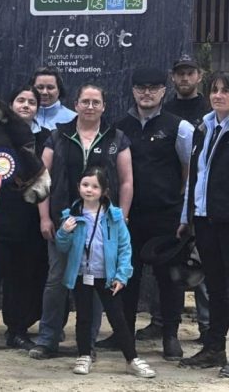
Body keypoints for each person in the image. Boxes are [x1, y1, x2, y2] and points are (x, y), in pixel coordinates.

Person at [29, 84, 133, 360]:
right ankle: (47, 339)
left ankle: (87, 346)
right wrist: (44, 217)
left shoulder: (116, 137)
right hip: (65, 222)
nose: (90, 106)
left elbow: (126, 180)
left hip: (102, 223)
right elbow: (42, 178)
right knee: (56, 282)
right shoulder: (58, 135)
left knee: (96, 284)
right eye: (85, 101)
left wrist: (120, 216)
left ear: (103, 107)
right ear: (75, 104)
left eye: (95, 102)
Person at [108, 67, 193, 361]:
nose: (147, 93)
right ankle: (123, 332)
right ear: (132, 91)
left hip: (166, 217)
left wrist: (181, 210)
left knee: (169, 279)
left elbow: (188, 170)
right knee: (125, 277)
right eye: (141, 87)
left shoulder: (179, 127)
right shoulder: (119, 127)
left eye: (153, 87)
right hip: (129, 217)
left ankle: (170, 335)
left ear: (163, 91)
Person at [137, 55, 212, 344]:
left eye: (189, 73)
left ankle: (207, 327)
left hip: (204, 200)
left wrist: (191, 195)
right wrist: (181, 195)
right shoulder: (164, 111)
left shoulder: (209, 108)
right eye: (179, 73)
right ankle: (160, 323)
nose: (184, 78)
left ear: (199, 76)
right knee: (166, 267)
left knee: (201, 265)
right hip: (175, 205)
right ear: (172, 78)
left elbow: (193, 164)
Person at [55, 166, 155, 378]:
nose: (89, 190)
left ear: (104, 191)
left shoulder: (115, 216)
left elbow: (124, 247)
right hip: (82, 274)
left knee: (117, 317)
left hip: (107, 277)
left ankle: (131, 358)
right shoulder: (70, 215)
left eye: (94, 186)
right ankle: (84, 355)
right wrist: (64, 232)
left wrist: (122, 275)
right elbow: (62, 247)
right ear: (78, 187)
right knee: (83, 316)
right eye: (85, 185)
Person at [0, 85, 49, 351]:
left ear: (38, 109)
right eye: (21, 100)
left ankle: (17, 330)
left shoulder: (47, 139)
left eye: (32, 102)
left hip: (29, 219)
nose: (26, 105)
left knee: (21, 279)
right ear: (11, 105)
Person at [178, 71, 229, 378]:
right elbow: (196, 178)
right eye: (215, 90)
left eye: (225, 90)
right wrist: (188, 217)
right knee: (218, 288)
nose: (218, 95)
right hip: (205, 219)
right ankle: (214, 348)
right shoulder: (204, 127)